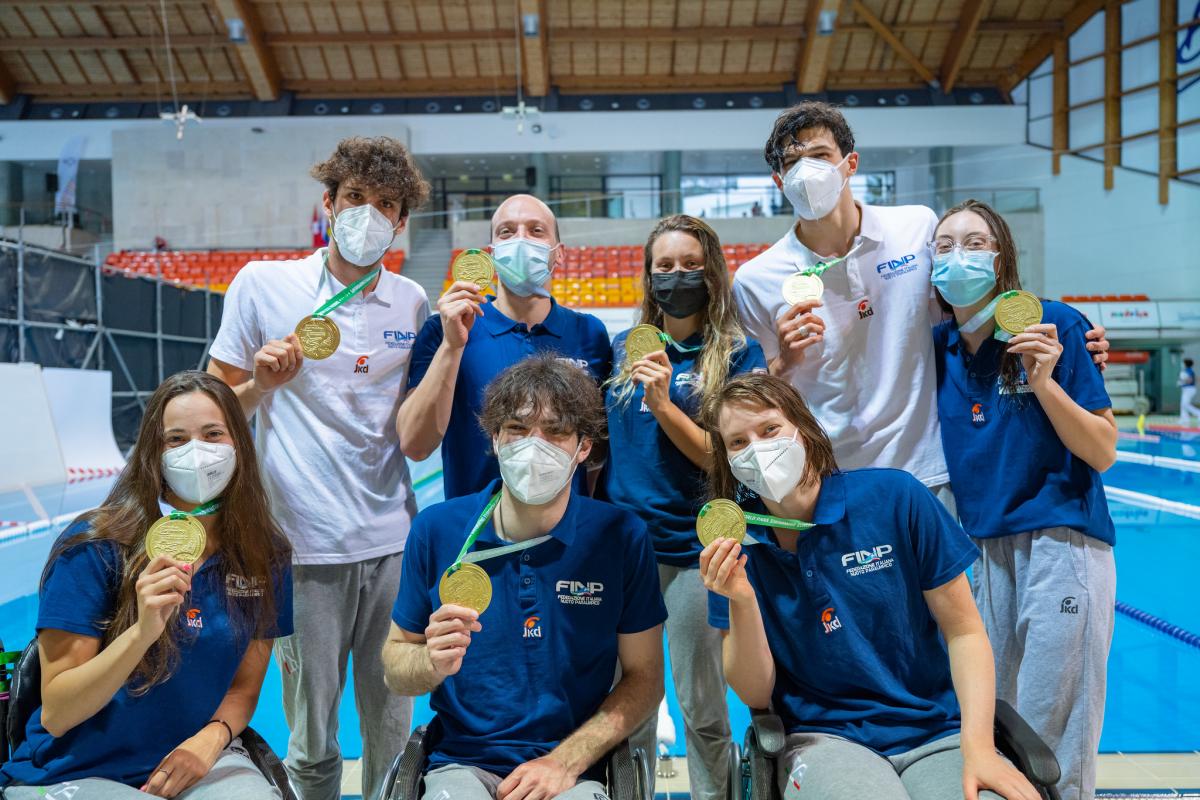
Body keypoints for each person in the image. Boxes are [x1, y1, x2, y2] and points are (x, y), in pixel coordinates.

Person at [731, 102, 1110, 507]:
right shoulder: (757, 279)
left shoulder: (915, 227)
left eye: (821, 155)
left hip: (929, 468)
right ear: (778, 180)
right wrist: (786, 361)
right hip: (829, 475)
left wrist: (1068, 332)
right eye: (793, 162)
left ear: (850, 163)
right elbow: (758, 398)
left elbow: (970, 307)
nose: (807, 171)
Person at [206, 136, 430, 800]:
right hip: (302, 551)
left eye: (385, 204)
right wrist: (262, 386)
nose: (368, 214)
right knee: (313, 742)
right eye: (355, 198)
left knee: (392, 731)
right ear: (328, 203)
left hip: (393, 545)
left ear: (400, 223)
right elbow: (212, 416)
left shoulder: (413, 304)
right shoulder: (264, 285)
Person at [698, 373, 1039, 800]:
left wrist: (980, 748)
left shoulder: (897, 498)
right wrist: (742, 599)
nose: (757, 449)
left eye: (769, 430)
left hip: (936, 731)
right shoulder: (734, 547)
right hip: (824, 740)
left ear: (803, 429)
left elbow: (965, 631)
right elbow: (755, 692)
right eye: (737, 443)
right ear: (728, 461)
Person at [382, 355, 667, 800]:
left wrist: (565, 761)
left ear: (584, 448)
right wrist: (429, 664)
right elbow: (396, 667)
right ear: (495, 439)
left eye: (555, 432)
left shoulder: (620, 536)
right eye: (517, 429)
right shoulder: (437, 530)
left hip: (574, 769)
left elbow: (645, 678)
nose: (535, 446)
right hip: (461, 763)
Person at [0, 371, 292, 800]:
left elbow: (244, 688)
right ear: (152, 454)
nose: (197, 452)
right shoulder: (96, 546)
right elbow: (58, 712)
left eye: (213, 434)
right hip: (74, 768)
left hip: (192, 758)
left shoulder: (263, 553)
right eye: (176, 440)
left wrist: (211, 739)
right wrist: (142, 633)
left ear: (239, 445)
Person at [930, 199, 1118, 800]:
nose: (958, 255)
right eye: (944, 245)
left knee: (1054, 733)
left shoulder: (1055, 327)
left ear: (1003, 256)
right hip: (979, 554)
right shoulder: (935, 350)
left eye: (975, 242)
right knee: (997, 728)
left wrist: (1043, 384)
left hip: (1059, 543)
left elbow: (1104, 449)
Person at [602, 214, 765, 800]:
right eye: (664, 267)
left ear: (712, 272)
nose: (677, 276)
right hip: (627, 555)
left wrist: (666, 404)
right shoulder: (624, 348)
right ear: (648, 278)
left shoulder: (738, 354)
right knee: (631, 705)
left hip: (700, 551)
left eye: (690, 265)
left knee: (701, 705)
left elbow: (728, 462)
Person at [397, 194, 613, 499]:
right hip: (476, 530)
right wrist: (451, 346)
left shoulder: (589, 332)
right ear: (492, 253)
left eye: (536, 230)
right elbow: (415, 446)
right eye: (507, 231)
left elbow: (595, 450)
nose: (521, 240)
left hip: (565, 530)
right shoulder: (445, 329)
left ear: (559, 253)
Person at [1179, 357, 1198, 425]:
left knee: (1185, 404)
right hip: (1186, 389)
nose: (1181, 364)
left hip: (1189, 389)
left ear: (1185, 364)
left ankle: (1198, 413)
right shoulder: (1187, 370)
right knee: (1182, 404)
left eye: (1183, 363)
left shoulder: (1188, 370)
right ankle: (1184, 419)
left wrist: (1182, 382)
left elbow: (1190, 380)